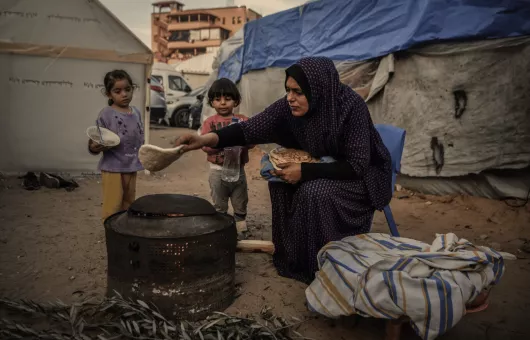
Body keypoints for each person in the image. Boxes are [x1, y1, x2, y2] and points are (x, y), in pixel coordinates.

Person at [175, 57, 392, 284]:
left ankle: (323, 263)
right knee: (279, 182)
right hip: (322, 165)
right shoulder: (287, 108)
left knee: (313, 191)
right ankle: (294, 257)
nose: (290, 98)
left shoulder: (350, 107)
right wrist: (204, 139)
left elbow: (357, 164)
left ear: (317, 89)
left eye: (298, 92)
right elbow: (249, 129)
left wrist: (305, 171)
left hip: (361, 176)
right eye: (288, 90)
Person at [88, 70, 144, 222]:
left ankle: (124, 230)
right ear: (108, 94)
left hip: (131, 166)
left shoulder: (136, 113)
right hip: (113, 168)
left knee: (128, 203)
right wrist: (94, 147)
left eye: (127, 89)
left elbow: (139, 137)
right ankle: (111, 230)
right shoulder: (106, 114)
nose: (124, 94)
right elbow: (94, 140)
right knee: (113, 205)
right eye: (117, 91)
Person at [200, 78, 253, 233]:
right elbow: (204, 145)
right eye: (217, 99)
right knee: (219, 204)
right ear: (212, 102)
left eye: (227, 99)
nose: (222, 103)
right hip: (217, 171)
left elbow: (253, 140)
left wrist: (243, 143)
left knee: (240, 201)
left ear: (236, 101)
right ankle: (221, 232)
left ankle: (240, 229)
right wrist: (222, 143)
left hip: (238, 170)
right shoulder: (209, 123)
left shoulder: (243, 121)